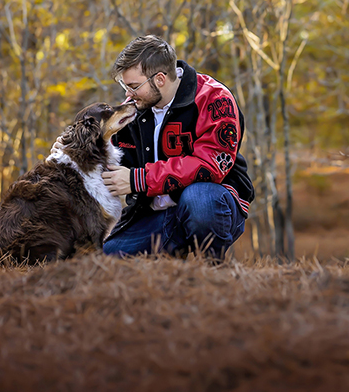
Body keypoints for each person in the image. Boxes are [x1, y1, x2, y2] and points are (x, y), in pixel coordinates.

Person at [101, 35, 254, 260]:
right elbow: (111, 162)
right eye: (125, 86)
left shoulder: (214, 98)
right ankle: (173, 267)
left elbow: (211, 165)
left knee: (199, 199)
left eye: (133, 86)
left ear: (160, 79)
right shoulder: (130, 113)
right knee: (107, 258)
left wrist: (139, 180)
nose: (127, 94)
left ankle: (214, 272)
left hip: (212, 204)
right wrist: (68, 152)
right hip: (154, 214)